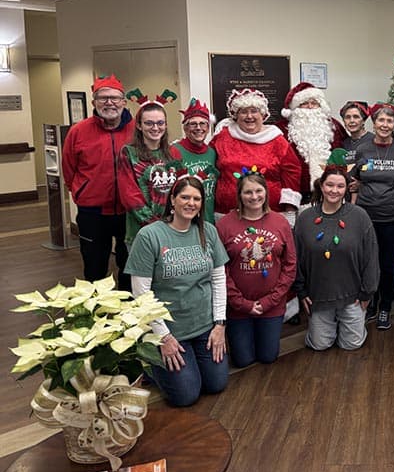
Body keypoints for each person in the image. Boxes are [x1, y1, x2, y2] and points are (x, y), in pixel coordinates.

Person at [125, 175, 229, 407]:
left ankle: (187, 363)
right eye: (184, 197)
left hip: (204, 326)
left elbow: (219, 279)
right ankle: (149, 361)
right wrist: (163, 337)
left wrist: (220, 324)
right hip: (169, 329)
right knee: (185, 396)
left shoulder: (208, 232)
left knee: (216, 383)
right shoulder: (149, 236)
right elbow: (141, 295)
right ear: (172, 199)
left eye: (197, 198)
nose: (191, 203)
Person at [293, 150, 379, 351]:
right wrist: (301, 290)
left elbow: (371, 258)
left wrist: (367, 292)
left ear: (346, 189)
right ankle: (325, 328)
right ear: (321, 186)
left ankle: (351, 323)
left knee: (351, 344)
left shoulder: (359, 217)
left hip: (352, 295)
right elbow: (296, 258)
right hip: (319, 295)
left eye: (340, 186)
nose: (334, 190)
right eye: (330, 185)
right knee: (319, 345)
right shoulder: (305, 219)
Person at [216, 169, 297, 367]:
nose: (254, 197)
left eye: (258, 191)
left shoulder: (280, 222)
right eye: (248, 192)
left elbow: (290, 264)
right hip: (238, 308)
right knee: (243, 360)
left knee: (268, 357)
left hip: (271, 305)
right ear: (239, 195)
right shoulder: (225, 225)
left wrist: (272, 300)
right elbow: (220, 269)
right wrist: (240, 303)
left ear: (266, 193)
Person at [62, 74, 135, 290]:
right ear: (94, 103)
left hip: (129, 211)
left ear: (124, 101)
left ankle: (129, 310)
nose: (109, 103)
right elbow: (69, 169)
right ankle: (98, 310)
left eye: (114, 98)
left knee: (129, 263)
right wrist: (81, 193)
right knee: (94, 265)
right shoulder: (78, 131)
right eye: (103, 98)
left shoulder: (136, 131)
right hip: (92, 212)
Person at [351, 103, 394, 330]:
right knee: (368, 262)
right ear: (373, 123)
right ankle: (371, 302)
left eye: (389, 121)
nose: (384, 125)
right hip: (366, 217)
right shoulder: (363, 149)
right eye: (381, 121)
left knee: (388, 264)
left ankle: (386, 306)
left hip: (393, 217)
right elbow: (355, 180)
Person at [211, 88, 302, 226]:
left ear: (263, 114)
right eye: (243, 111)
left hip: (269, 216)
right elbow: (207, 162)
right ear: (236, 115)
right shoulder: (222, 137)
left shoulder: (277, 140)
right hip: (227, 216)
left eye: (254, 111)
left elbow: (292, 174)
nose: (249, 116)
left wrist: (289, 212)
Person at [118, 93, 183, 246]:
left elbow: (181, 188)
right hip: (141, 231)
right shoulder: (128, 153)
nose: (155, 128)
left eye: (160, 123)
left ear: (166, 125)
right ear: (139, 125)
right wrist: (156, 226)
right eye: (149, 123)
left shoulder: (174, 153)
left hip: (173, 226)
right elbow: (130, 196)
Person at [276, 82, 346, 204]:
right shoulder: (281, 129)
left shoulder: (334, 126)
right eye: (304, 103)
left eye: (314, 103)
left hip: (331, 194)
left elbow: (345, 155)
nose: (309, 107)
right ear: (296, 107)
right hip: (295, 195)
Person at [173, 98, 219, 223]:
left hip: (208, 221)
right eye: (193, 124)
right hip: (183, 222)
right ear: (185, 128)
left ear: (208, 128)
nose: (198, 128)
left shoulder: (212, 153)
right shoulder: (174, 151)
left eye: (203, 123)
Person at [339, 100, 372, 165]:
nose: (352, 120)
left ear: (363, 120)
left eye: (356, 117)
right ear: (344, 121)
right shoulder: (344, 144)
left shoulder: (373, 140)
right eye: (348, 117)